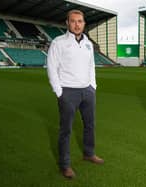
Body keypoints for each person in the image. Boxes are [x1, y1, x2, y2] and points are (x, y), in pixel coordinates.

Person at [47, 9, 104, 179]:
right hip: (68, 92)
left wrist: (92, 86)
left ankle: (89, 153)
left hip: (87, 91)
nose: (77, 24)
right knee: (66, 130)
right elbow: (51, 68)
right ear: (67, 23)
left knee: (90, 125)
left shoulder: (88, 43)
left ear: (84, 24)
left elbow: (91, 66)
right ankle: (65, 165)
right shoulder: (58, 42)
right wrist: (59, 92)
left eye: (80, 21)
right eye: (73, 21)